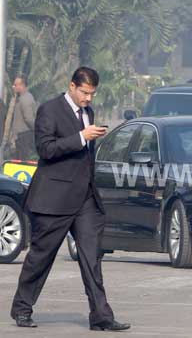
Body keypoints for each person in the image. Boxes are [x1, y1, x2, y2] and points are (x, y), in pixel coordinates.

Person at [10, 67, 130, 331]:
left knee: (91, 257)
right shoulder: (49, 110)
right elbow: (45, 149)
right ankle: (22, 308)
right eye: (84, 93)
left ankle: (101, 316)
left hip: (84, 198)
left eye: (92, 94)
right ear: (72, 86)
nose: (88, 99)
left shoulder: (88, 112)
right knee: (41, 257)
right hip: (54, 199)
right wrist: (80, 137)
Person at [2, 75, 37, 160]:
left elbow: (29, 119)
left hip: (24, 136)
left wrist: (36, 129)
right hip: (19, 137)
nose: (13, 87)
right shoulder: (19, 98)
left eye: (16, 84)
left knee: (22, 161)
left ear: (22, 85)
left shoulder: (26, 99)